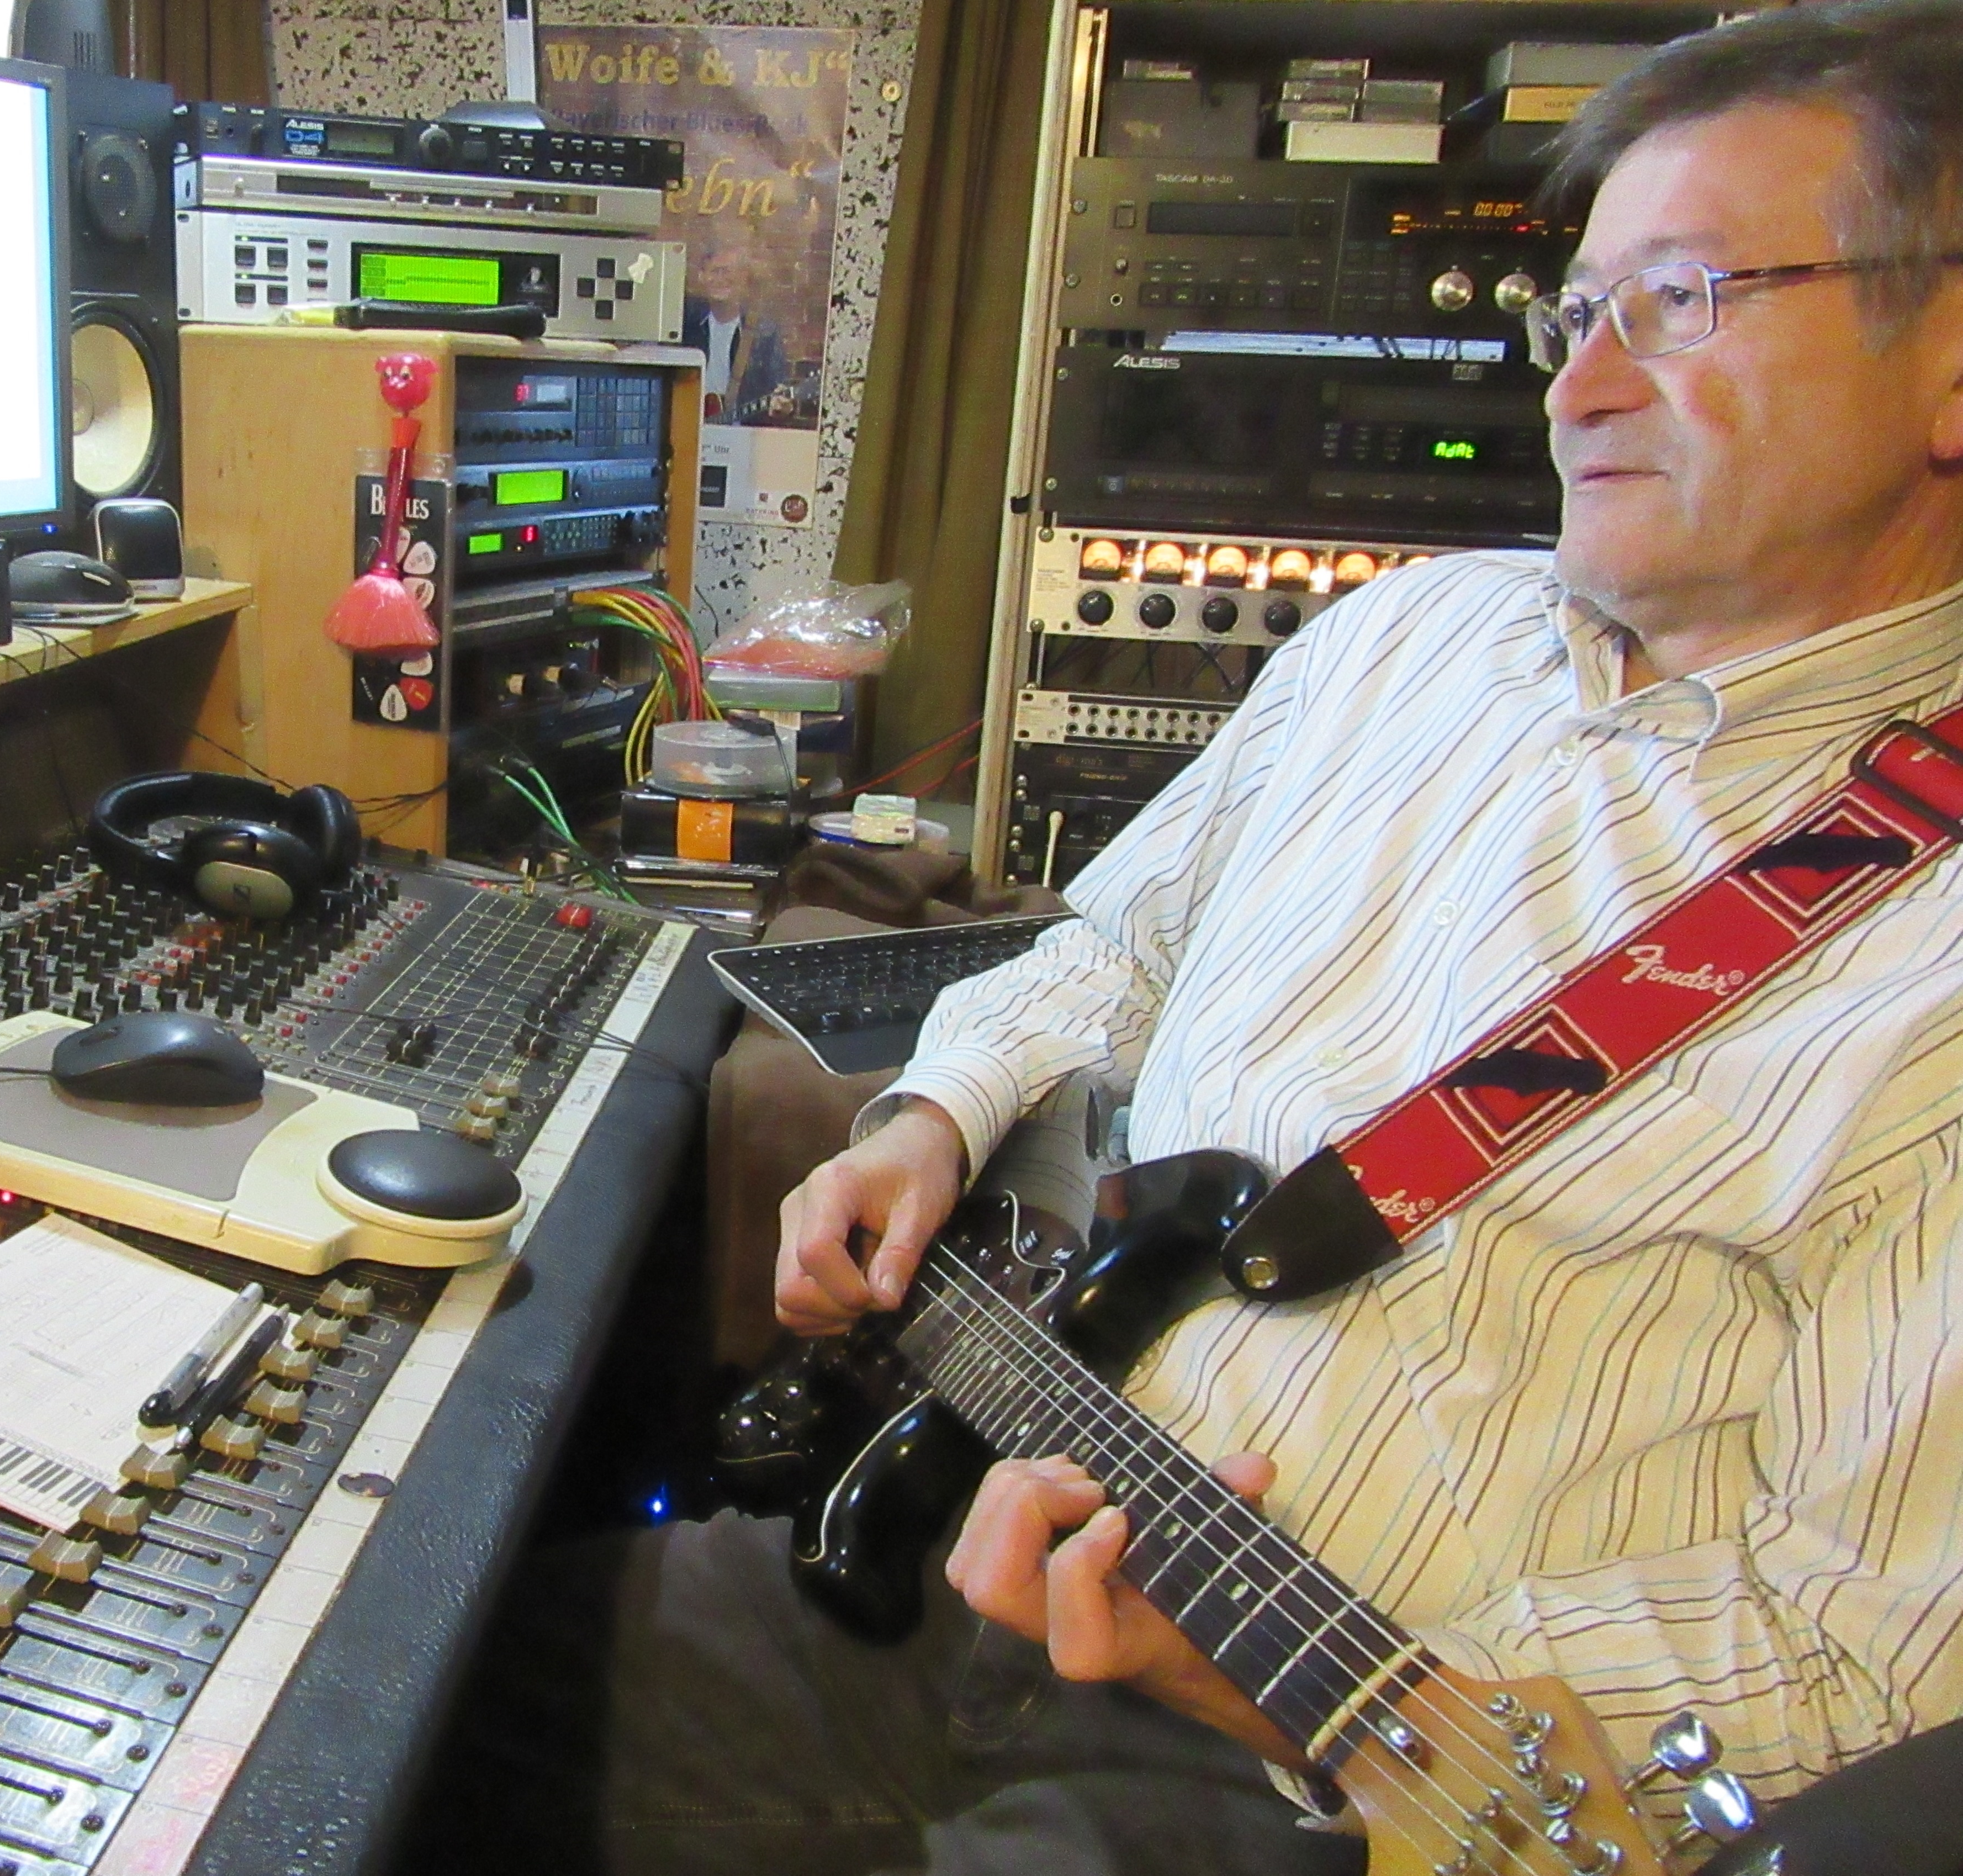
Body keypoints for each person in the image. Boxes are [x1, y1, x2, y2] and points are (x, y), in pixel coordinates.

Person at [403, 4, 1963, 1870]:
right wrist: (936, 1116)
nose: (1580, 389)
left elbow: (1865, 1652)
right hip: (981, 1550)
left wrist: (1315, 1694)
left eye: (1683, 301)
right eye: (1579, 315)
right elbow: (1115, 950)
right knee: (393, 1714)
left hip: (1311, 1790)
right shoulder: (1410, 635)